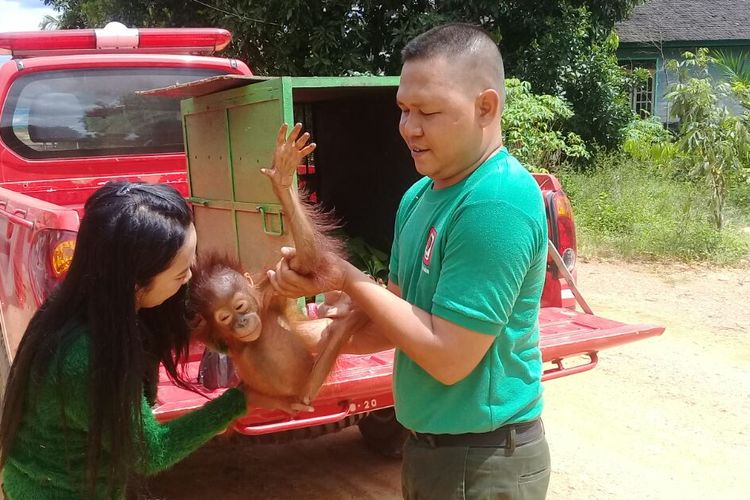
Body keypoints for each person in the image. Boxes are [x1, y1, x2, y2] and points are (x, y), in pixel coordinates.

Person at [268, 23, 551, 499]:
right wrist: (292, 332)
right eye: (403, 109)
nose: (409, 128)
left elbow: (448, 358)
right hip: (430, 451)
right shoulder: (420, 196)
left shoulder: (495, 202)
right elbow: (399, 323)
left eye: (429, 111)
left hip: (482, 460)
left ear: (487, 107)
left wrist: (348, 278)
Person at [0, 181, 308, 499]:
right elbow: (151, 453)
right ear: (136, 282)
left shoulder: (105, 297)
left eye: (192, 262)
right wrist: (241, 399)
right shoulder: (89, 356)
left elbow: (208, 320)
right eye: (180, 274)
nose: (190, 278)